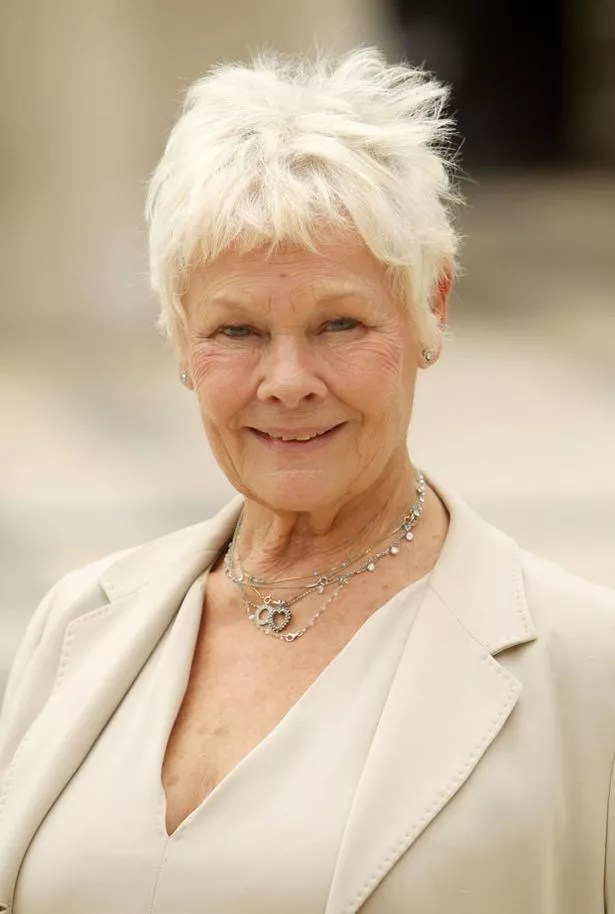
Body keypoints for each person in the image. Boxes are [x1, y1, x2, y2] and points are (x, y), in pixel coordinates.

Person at [0, 47, 614, 914]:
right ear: (180, 338)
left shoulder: (585, 665)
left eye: (338, 324)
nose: (287, 381)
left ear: (430, 308)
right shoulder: (80, 623)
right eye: (237, 331)